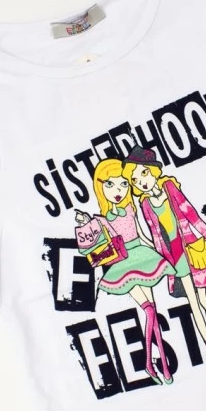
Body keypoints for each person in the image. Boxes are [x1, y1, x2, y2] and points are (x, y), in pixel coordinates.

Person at [122, 146, 206, 372]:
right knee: (195, 304)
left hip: (193, 251)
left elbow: (192, 216)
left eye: (143, 173)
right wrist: (160, 264)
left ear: (153, 170)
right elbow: (156, 236)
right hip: (175, 260)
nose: (141, 182)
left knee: (205, 300)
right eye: (135, 180)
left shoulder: (170, 187)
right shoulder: (145, 205)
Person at [75, 158, 175, 385]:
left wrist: (160, 251)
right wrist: (86, 221)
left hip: (143, 256)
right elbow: (94, 241)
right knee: (149, 311)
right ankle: (150, 363)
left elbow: (143, 234)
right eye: (110, 185)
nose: (117, 191)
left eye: (123, 184)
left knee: (153, 311)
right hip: (123, 264)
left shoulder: (130, 209)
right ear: (100, 187)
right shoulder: (101, 219)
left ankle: (162, 365)